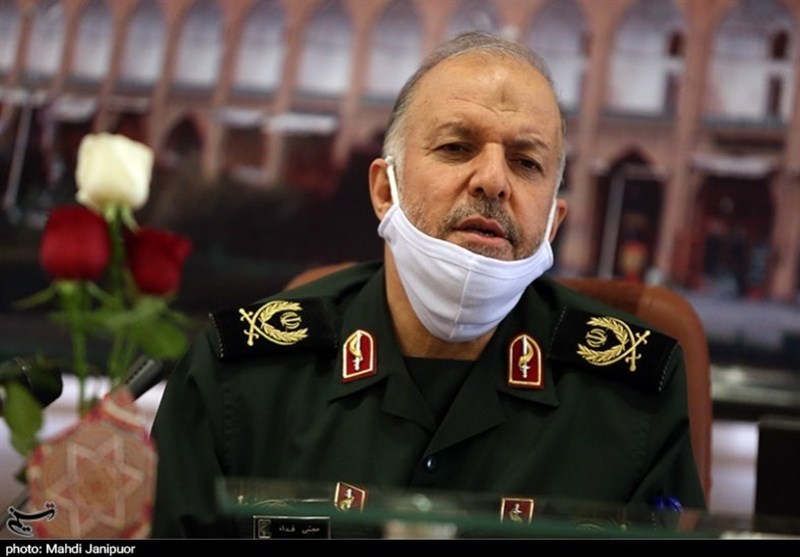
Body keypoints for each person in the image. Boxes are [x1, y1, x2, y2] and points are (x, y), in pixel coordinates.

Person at [150, 31, 705, 538]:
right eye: (456, 147)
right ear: (383, 191)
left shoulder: (633, 397)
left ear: (553, 222)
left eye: (526, 162)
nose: (493, 180)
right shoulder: (240, 378)